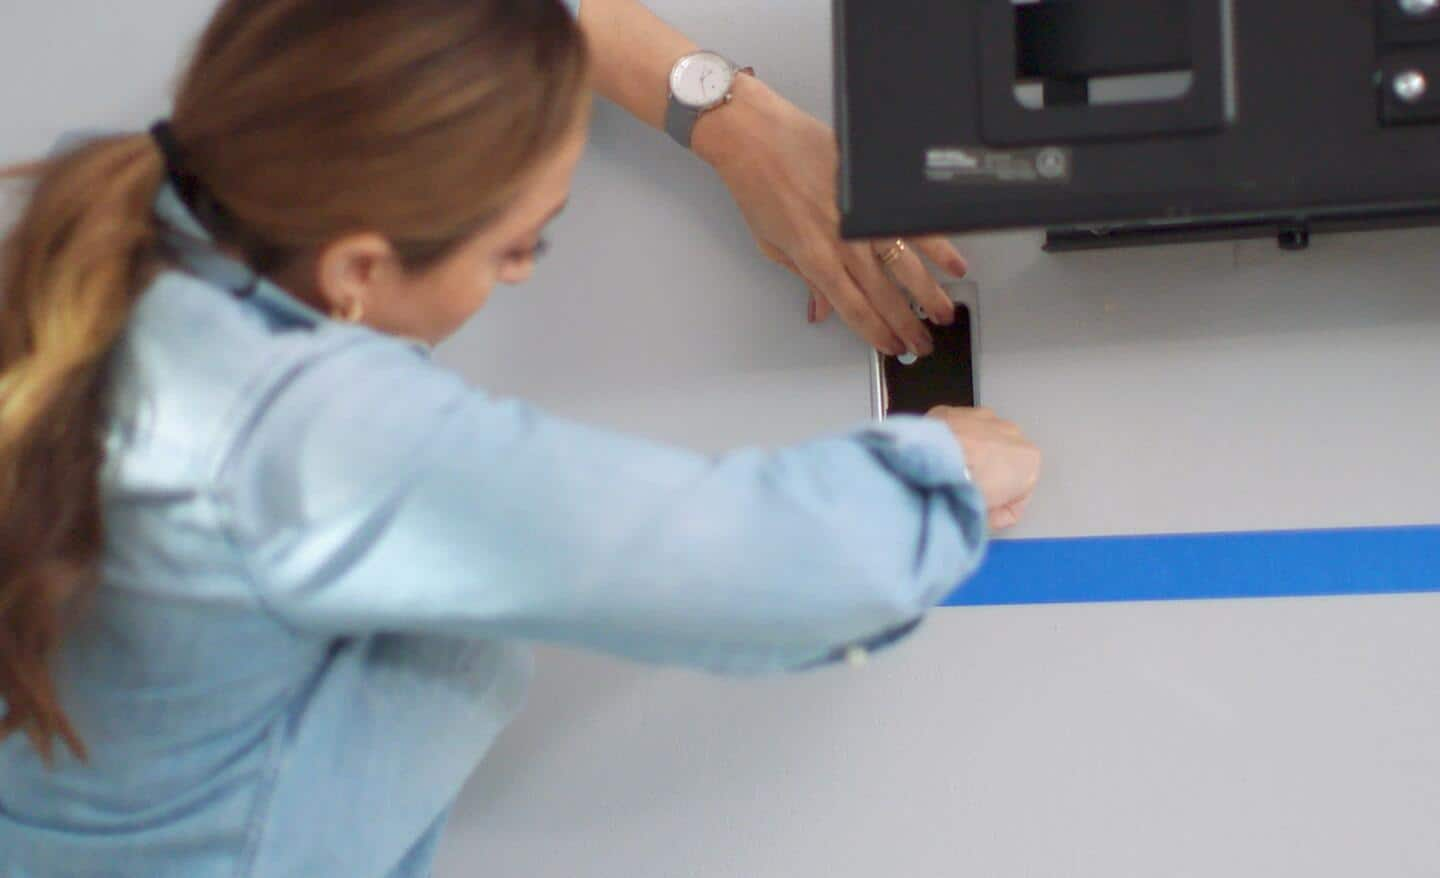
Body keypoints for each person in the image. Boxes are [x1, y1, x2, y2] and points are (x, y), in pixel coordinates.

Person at [0, 0, 1040, 875]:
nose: (524, 276)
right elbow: (753, 560)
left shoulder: (142, 246)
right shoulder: (305, 433)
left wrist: (733, 123)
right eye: (516, 246)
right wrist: (943, 467)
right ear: (358, 270)